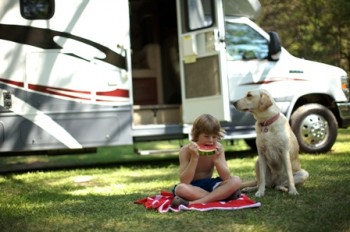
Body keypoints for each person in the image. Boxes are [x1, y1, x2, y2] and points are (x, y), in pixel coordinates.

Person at [171, 114, 242, 207]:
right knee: (181, 189)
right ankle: (223, 196)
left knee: (236, 180)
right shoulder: (185, 151)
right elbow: (185, 181)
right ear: (197, 134)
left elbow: (226, 177)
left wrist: (217, 160)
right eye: (206, 136)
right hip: (192, 187)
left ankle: (193, 202)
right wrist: (194, 158)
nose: (211, 140)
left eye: (214, 136)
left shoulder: (219, 148)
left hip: (210, 184)